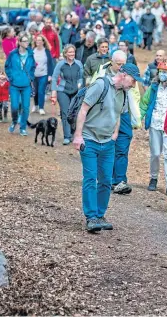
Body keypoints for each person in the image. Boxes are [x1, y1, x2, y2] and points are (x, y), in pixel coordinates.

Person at [72, 63, 142, 232]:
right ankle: (91, 217)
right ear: (123, 75)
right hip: (89, 139)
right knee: (90, 178)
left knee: (105, 180)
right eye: (133, 81)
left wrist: (115, 134)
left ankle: (100, 214)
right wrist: (78, 135)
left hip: (108, 143)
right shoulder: (100, 85)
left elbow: (118, 114)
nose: (134, 85)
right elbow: (83, 110)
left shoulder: (124, 94)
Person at [90, 51, 138, 195]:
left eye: (124, 64)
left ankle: (120, 180)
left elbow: (135, 95)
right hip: (106, 114)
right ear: (112, 61)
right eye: (119, 64)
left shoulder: (129, 76)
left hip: (124, 114)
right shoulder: (102, 73)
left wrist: (136, 116)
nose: (121, 67)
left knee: (123, 145)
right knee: (107, 146)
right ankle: (107, 178)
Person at [140, 60, 167, 195]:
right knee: (155, 153)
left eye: (165, 72)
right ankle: (153, 178)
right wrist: (139, 117)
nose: (162, 75)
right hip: (155, 123)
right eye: (160, 72)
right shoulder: (154, 86)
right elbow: (145, 102)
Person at [51, 44, 84, 145]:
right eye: (69, 52)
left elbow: (81, 77)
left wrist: (80, 85)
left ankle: (74, 132)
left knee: (74, 113)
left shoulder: (78, 64)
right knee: (65, 112)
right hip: (63, 91)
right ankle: (67, 136)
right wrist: (54, 92)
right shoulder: (60, 64)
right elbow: (54, 78)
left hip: (75, 91)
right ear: (65, 53)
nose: (71, 54)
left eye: (73, 52)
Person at [5, 34, 36, 136]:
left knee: (26, 107)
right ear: (19, 42)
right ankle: (14, 121)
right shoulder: (13, 54)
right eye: (25, 41)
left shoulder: (31, 54)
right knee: (14, 107)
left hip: (26, 85)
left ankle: (23, 127)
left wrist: (30, 77)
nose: (27, 43)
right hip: (14, 84)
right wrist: (11, 77)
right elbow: (7, 66)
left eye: (28, 41)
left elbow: (32, 67)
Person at [31, 35, 55, 115]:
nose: (38, 42)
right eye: (37, 40)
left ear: (43, 42)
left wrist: (50, 75)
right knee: (35, 91)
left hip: (44, 74)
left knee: (41, 91)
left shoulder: (46, 51)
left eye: (40, 40)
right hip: (34, 75)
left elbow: (50, 64)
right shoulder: (32, 51)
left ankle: (41, 108)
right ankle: (36, 105)